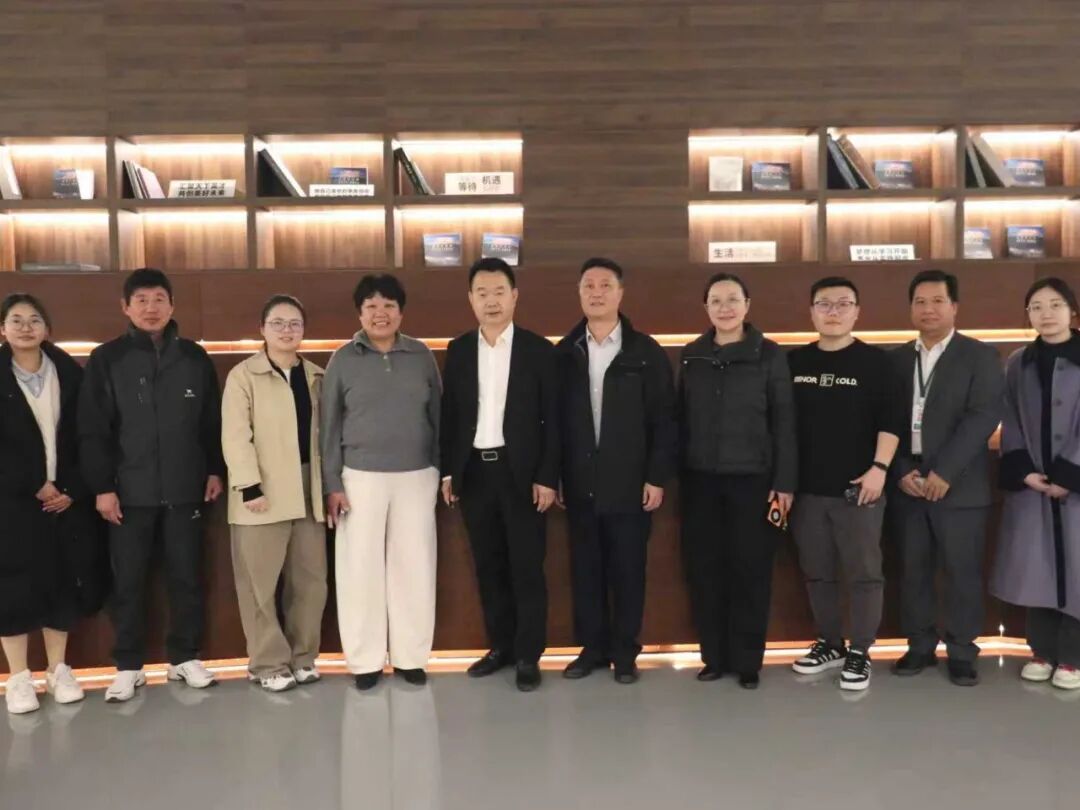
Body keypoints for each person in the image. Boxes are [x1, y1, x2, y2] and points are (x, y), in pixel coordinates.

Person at [79, 268, 225, 703]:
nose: (150, 308)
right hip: (128, 493)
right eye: (141, 300)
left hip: (186, 489)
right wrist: (103, 487)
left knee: (186, 577)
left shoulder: (194, 358)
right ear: (126, 307)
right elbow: (93, 429)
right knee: (128, 582)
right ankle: (128, 665)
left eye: (159, 298)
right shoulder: (107, 359)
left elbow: (211, 422)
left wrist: (213, 469)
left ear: (172, 305)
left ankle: (184, 657)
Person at [440, 257, 559, 692]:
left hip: (521, 474)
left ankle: (528, 655)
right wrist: (449, 473)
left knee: (526, 567)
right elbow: (451, 417)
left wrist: (547, 476)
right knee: (488, 566)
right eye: (482, 293)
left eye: (499, 292)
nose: (491, 301)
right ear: (471, 299)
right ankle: (501, 647)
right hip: (474, 473)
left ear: (514, 296)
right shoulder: (458, 350)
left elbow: (554, 420)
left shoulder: (538, 350)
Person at [556, 257, 676, 684]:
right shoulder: (565, 352)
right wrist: (556, 476)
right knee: (586, 571)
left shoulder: (645, 352)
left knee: (628, 571)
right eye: (588, 285)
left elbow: (664, 420)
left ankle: (625, 652)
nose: (597, 292)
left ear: (620, 293)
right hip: (580, 482)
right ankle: (592, 649)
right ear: (579, 293)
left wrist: (656, 477)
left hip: (631, 484)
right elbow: (554, 423)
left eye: (605, 285)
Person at [677, 272, 796, 689]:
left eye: (732, 299)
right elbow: (680, 419)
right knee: (705, 571)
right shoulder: (692, 355)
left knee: (751, 572)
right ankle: (713, 657)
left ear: (747, 305)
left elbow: (784, 422)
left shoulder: (770, 355)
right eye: (716, 300)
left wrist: (784, 483)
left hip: (755, 482)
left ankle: (747, 661)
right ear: (705, 307)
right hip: (701, 483)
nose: (724, 307)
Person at [322, 275, 441, 690]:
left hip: (417, 475)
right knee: (360, 570)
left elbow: (438, 416)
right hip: (359, 478)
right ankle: (365, 661)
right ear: (360, 314)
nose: (380, 313)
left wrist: (440, 470)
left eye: (388, 305)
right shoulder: (342, 359)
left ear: (401, 312)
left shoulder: (421, 355)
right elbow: (328, 427)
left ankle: (411, 657)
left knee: (414, 567)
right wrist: (332, 483)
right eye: (371, 306)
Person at [889, 269, 1003, 687]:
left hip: (960, 485)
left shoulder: (980, 356)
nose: (928, 309)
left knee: (961, 572)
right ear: (910, 308)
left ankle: (961, 650)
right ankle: (919, 645)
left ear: (954, 307)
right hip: (908, 483)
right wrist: (901, 470)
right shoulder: (895, 360)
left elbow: (983, 417)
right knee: (912, 570)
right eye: (920, 301)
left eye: (938, 301)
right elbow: (884, 420)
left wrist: (945, 472)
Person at [787, 277, 902, 691]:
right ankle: (830, 643)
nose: (833, 311)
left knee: (864, 573)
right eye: (824, 304)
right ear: (811, 311)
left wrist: (879, 468)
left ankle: (861, 650)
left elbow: (891, 421)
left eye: (842, 304)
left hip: (859, 487)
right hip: (806, 490)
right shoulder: (793, 363)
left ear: (857, 312)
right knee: (817, 573)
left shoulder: (877, 363)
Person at [0, 294, 106, 715]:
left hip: (64, 499)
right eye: (16, 320)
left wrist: (71, 488)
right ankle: (18, 677)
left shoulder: (70, 372)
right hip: (12, 500)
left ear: (47, 328)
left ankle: (58, 669)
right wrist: (34, 484)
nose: (26, 327)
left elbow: (88, 435)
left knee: (62, 578)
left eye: (34, 320)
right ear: (3, 329)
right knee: (13, 585)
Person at [222, 295, 328, 693]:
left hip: (308, 489)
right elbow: (235, 435)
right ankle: (267, 664)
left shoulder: (317, 376)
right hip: (260, 492)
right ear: (262, 329)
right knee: (259, 586)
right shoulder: (243, 376)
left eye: (295, 323)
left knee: (310, 582)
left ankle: (303, 658)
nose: (287, 330)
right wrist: (249, 485)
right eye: (278, 323)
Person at [994, 277, 1080, 690]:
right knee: (1038, 569)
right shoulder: (1018, 362)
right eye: (1037, 307)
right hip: (1034, 485)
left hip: (1074, 486)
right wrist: (1024, 470)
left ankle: (1073, 658)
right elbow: (1009, 417)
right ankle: (1041, 651)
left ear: (1072, 310)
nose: (1046, 314)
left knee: (1077, 570)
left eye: (1055, 305)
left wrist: (1070, 474)